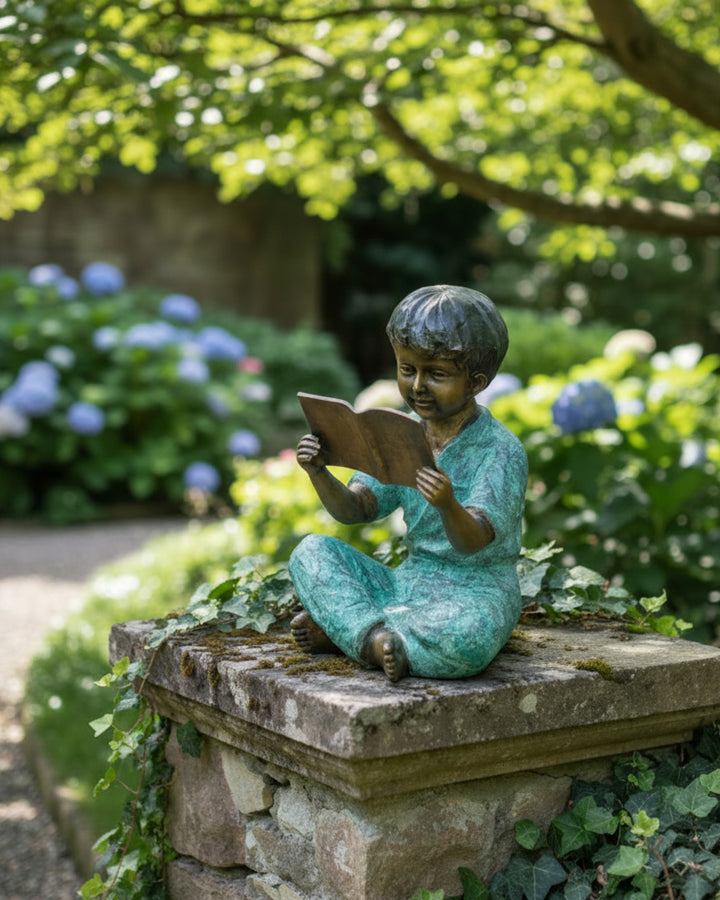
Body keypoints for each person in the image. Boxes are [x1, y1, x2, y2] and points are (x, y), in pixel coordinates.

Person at [289, 285, 528, 682]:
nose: (417, 386)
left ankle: (353, 634)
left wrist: (448, 504)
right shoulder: (401, 434)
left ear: (476, 381)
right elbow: (356, 509)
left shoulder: (500, 450)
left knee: (467, 640)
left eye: (436, 374)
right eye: (407, 369)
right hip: (408, 582)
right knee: (310, 552)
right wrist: (319, 472)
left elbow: (473, 542)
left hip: (474, 591)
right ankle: (376, 639)